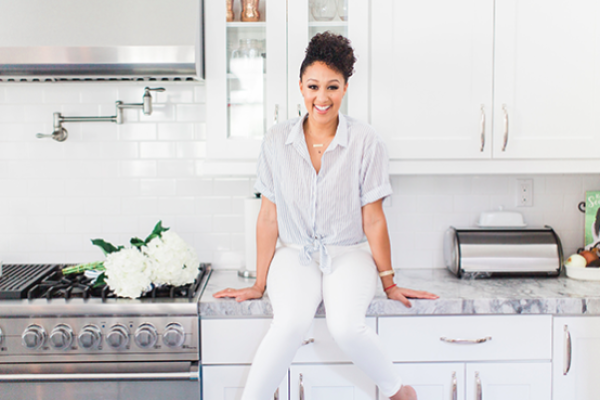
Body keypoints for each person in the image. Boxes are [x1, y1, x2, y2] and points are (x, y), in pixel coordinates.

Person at [214, 31, 439, 400]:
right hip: (293, 252)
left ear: (345, 88)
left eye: (332, 87)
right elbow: (268, 217)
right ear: (300, 87)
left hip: (349, 252)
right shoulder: (275, 141)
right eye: (313, 86)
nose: (322, 97)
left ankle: (399, 392)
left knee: (347, 327)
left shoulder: (366, 141)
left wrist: (389, 281)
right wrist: (258, 283)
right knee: (288, 324)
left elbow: (374, 219)